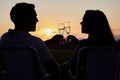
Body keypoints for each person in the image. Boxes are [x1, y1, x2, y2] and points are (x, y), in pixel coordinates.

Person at [0, 2, 60, 80]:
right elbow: (54, 69)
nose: (37, 20)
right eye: (34, 17)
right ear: (24, 19)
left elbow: (23, 46)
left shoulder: (5, 38)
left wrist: (50, 41)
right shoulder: (36, 42)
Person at [61, 10, 116, 80]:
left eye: (83, 21)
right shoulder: (113, 47)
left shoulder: (83, 46)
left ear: (92, 24)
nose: (80, 23)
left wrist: (66, 66)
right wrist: (78, 43)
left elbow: (73, 68)